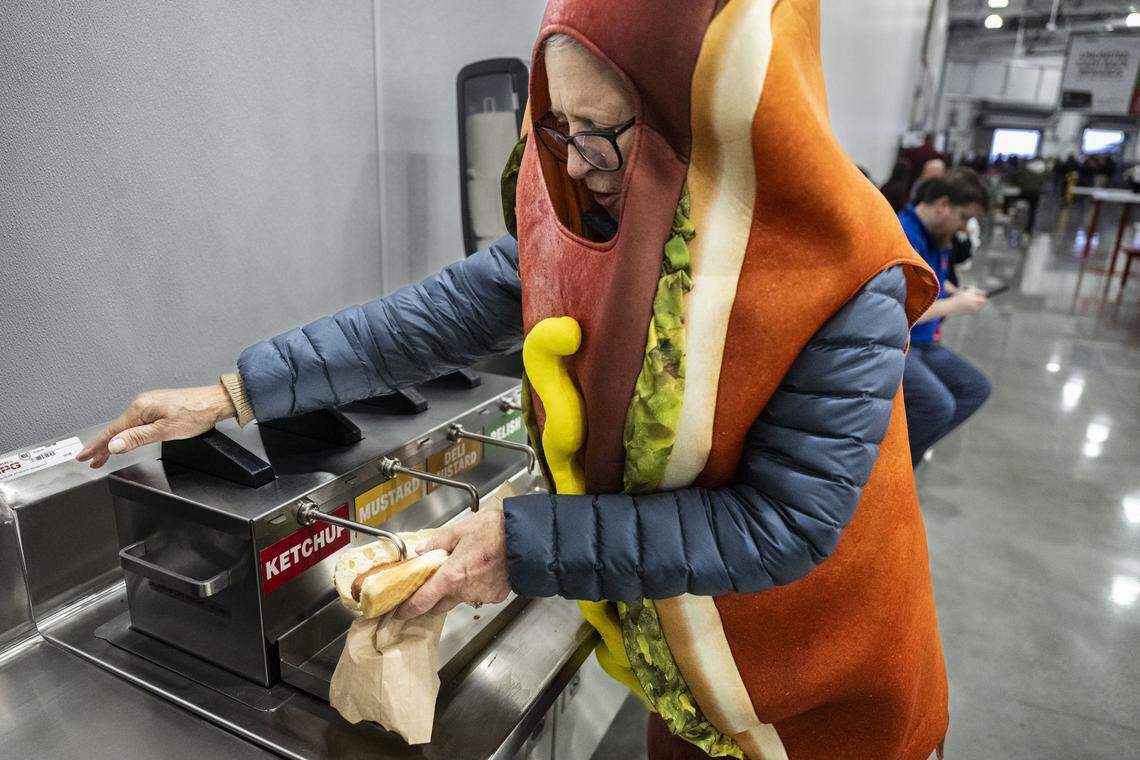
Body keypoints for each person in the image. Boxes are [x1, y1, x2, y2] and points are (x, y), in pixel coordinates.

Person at [78, 2, 949, 758]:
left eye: (606, 130)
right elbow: (429, 320)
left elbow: (782, 523)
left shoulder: (844, 271)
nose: (574, 165)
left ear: (704, 119)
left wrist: (524, 546)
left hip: (826, 700)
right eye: (558, 128)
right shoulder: (598, 207)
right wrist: (230, 395)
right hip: (694, 687)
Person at [898, 168, 992, 465]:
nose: (964, 227)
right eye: (964, 217)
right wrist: (954, 306)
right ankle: (890, 472)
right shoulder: (905, 237)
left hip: (925, 343)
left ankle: (907, 452)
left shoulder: (936, 237)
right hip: (902, 344)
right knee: (937, 405)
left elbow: (935, 281)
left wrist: (955, 291)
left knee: (976, 388)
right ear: (943, 205)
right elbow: (899, 314)